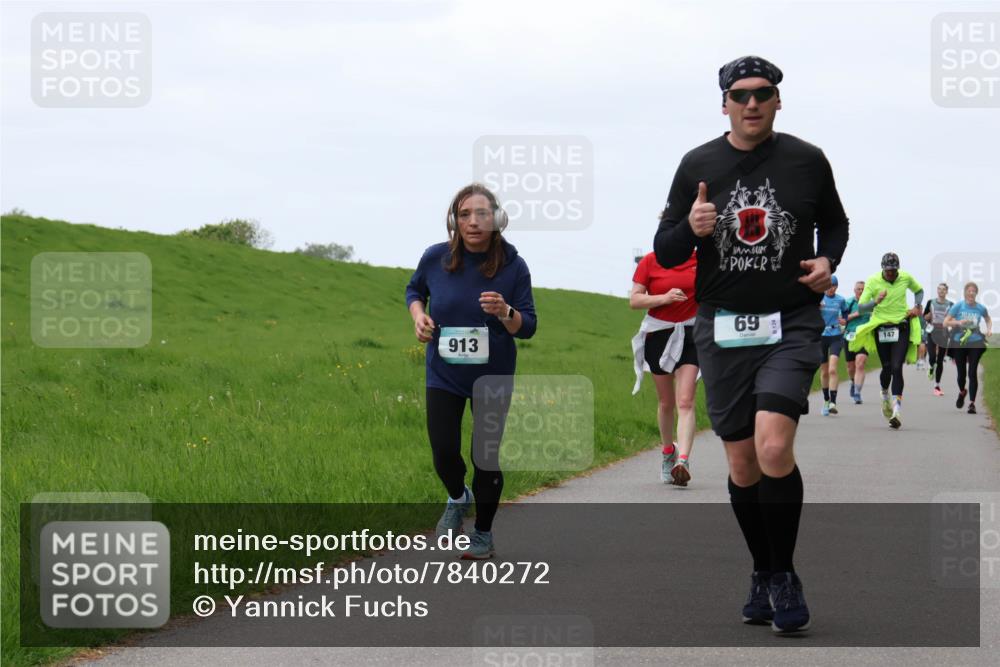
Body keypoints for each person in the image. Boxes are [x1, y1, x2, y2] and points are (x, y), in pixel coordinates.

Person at [654, 55, 849, 634]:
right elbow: (664, 252)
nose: (752, 103)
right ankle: (763, 570)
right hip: (722, 325)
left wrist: (827, 260)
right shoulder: (698, 164)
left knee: (771, 448)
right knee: (741, 463)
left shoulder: (807, 160)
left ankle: (784, 575)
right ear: (724, 103)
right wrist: (692, 228)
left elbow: (836, 224)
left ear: (778, 100)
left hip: (790, 321)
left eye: (763, 93)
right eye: (740, 95)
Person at [405, 183, 537, 560]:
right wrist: (419, 317)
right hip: (443, 371)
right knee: (444, 452)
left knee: (485, 456)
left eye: (481, 214)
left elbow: (528, 325)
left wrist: (505, 312)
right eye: (464, 214)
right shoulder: (436, 258)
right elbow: (414, 291)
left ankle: (482, 534)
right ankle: (458, 497)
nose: (473, 222)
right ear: (454, 220)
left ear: (496, 220)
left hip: (492, 375)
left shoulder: (513, 265)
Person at [630, 250, 699, 486]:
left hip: (691, 334)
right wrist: (663, 298)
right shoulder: (650, 260)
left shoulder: (701, 259)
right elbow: (635, 300)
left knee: (686, 401)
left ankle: (683, 461)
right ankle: (668, 452)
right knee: (666, 403)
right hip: (658, 334)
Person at [848, 253, 923, 430]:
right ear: (883, 269)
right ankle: (884, 394)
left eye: (893, 271)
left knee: (897, 367)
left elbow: (918, 291)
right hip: (881, 328)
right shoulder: (873, 281)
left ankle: (897, 411)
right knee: (887, 368)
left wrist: (917, 306)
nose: (891, 274)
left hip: (901, 325)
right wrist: (876, 301)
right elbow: (861, 307)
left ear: (898, 268)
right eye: (888, 271)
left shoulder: (905, 277)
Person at [943, 282, 992, 414]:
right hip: (960, 343)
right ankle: (962, 391)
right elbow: (945, 322)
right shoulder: (958, 306)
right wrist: (959, 322)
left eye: (974, 291)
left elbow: (988, 319)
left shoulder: (981, 308)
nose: (971, 293)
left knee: (972, 372)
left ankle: (972, 404)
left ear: (976, 293)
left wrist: (988, 329)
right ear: (965, 293)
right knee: (961, 375)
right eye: (969, 291)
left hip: (975, 342)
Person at [818, 275, 850, 415]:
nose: (830, 289)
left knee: (832, 369)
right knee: (824, 371)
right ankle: (826, 400)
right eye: (828, 286)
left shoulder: (840, 300)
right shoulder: (818, 299)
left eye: (833, 286)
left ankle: (833, 402)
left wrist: (845, 320)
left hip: (836, 335)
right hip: (821, 337)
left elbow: (846, 314)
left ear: (836, 287)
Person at [924, 283, 954, 396]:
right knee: (932, 356)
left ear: (946, 292)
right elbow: (924, 317)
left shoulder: (951, 305)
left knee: (940, 359)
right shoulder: (930, 302)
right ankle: (931, 367)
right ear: (937, 291)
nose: (941, 291)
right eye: (939, 289)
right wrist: (928, 316)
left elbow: (953, 319)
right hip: (932, 330)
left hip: (943, 332)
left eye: (943, 290)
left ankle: (937, 385)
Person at [843, 280, 871, 404]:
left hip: (864, 337)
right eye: (858, 289)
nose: (861, 291)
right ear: (854, 290)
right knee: (850, 366)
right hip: (849, 335)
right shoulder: (848, 303)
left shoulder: (870, 304)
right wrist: (856, 314)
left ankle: (857, 392)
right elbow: (842, 319)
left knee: (860, 363)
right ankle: (853, 381)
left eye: (863, 289)